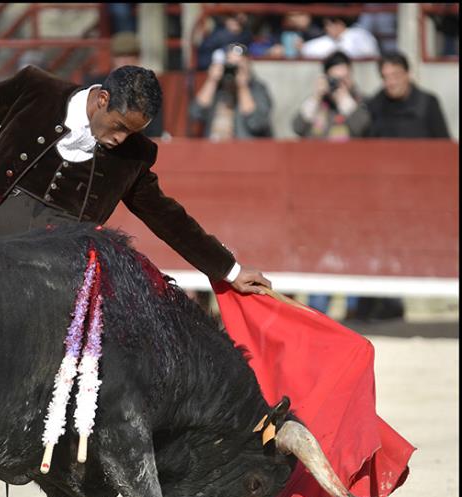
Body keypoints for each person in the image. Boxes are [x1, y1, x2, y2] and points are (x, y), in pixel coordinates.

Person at [0, 64, 272, 497]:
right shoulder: (36, 90)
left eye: (133, 133)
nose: (122, 140)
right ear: (99, 99)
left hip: (60, 285)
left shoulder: (135, 154)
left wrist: (229, 269)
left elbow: (164, 215)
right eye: (119, 126)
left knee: (72, 401)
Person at [357, 51, 451, 321]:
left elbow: (443, 146)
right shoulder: (374, 104)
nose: (391, 82)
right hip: (383, 193)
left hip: (420, 193)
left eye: (396, 75)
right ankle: (380, 304)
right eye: (386, 77)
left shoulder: (427, 103)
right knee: (378, 245)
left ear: (408, 74)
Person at [292, 51, 370, 316]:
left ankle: (356, 309)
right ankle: (318, 309)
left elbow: (364, 128)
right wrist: (317, 95)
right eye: (334, 78)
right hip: (319, 192)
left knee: (353, 245)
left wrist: (342, 97)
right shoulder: (318, 105)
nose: (339, 83)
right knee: (320, 247)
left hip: (353, 190)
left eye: (343, 77)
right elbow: (298, 126)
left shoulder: (360, 101)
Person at [84, 32, 164, 137]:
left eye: (130, 55)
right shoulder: (95, 84)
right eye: (120, 55)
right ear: (113, 58)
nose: (125, 60)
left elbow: (155, 129)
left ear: (138, 58)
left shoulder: (148, 89)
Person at [190, 43, 273, 140]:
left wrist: (242, 87)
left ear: (248, 65)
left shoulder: (257, 89)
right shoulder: (218, 89)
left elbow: (257, 123)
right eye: (230, 65)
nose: (234, 70)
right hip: (214, 150)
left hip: (243, 150)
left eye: (238, 65)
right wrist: (212, 81)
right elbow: (196, 113)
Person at [300, 15, 380, 60]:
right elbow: (311, 48)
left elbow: (369, 52)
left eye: (328, 25)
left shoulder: (359, 34)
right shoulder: (330, 39)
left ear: (339, 24)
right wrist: (303, 47)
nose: (326, 28)